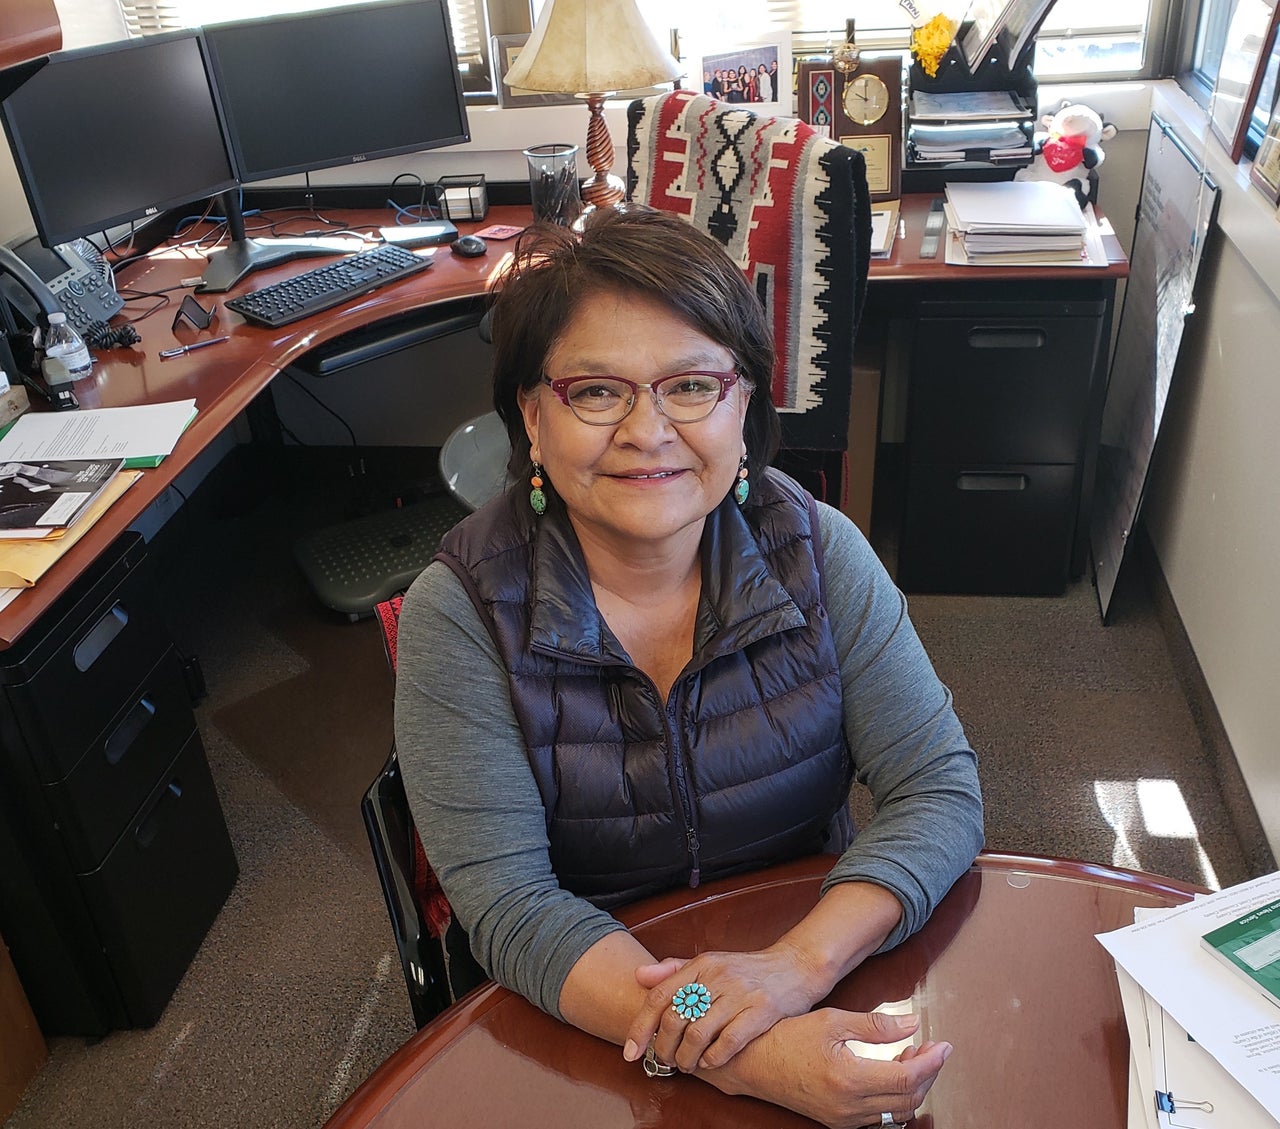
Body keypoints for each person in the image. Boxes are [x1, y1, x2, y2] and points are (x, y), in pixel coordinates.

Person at [395, 207, 984, 1129]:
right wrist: (732, 1046)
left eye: (692, 386)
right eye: (597, 391)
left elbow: (938, 789)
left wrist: (796, 970)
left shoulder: (820, 553)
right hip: (592, 1009)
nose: (648, 429)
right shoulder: (460, 612)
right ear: (533, 417)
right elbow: (510, 905)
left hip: (813, 947)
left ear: (743, 404)